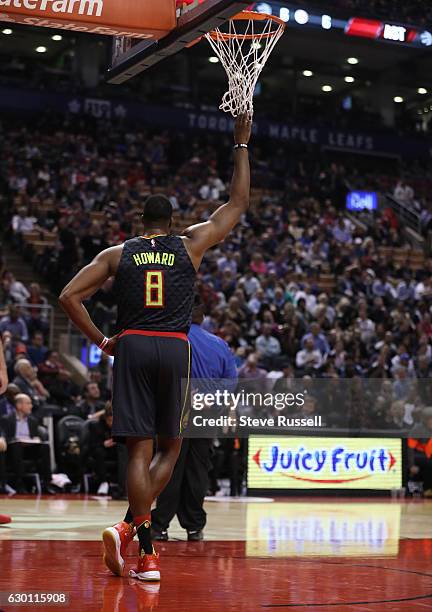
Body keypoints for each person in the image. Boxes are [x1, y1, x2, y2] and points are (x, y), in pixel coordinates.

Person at [59, 115, 251, 582]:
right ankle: (131, 537)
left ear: (140, 222)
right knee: (172, 448)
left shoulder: (116, 254)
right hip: (174, 346)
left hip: (133, 347)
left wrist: (103, 340)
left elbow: (68, 296)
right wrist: (240, 143)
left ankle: (144, 548)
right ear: (172, 223)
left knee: (138, 452)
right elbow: (238, 202)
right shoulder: (191, 244)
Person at [151, 298, 237, 541]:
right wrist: (212, 397)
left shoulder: (174, 338)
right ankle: (194, 526)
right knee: (199, 468)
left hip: (178, 407)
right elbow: (231, 382)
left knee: (171, 463)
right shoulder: (219, 344)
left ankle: (160, 525)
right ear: (203, 318)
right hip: (208, 414)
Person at [1, 393, 54, 494]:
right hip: (12, 450)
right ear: (19, 405)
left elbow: (34, 437)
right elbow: (4, 437)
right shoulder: (6, 419)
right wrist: (16, 440)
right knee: (16, 445)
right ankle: (20, 482)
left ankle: (47, 483)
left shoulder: (33, 420)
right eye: (28, 403)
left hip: (29, 449)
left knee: (45, 446)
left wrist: (36, 439)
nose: (31, 406)